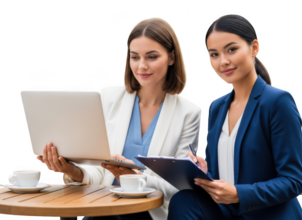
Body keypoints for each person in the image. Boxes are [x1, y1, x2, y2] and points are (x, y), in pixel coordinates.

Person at [36, 17, 202, 220]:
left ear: (171, 58)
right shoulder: (107, 98)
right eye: (135, 57)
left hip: (147, 212)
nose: (141, 66)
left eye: (151, 57)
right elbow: (97, 172)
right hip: (102, 205)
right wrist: (72, 170)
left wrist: (135, 179)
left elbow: (179, 186)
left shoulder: (188, 113)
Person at [167, 14, 302, 220]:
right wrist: (204, 172)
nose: (223, 61)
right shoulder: (217, 106)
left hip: (266, 215)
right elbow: (223, 175)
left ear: (254, 48)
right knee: (183, 200)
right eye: (214, 54)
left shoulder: (278, 102)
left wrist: (239, 194)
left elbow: (292, 181)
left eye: (232, 49)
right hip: (228, 213)